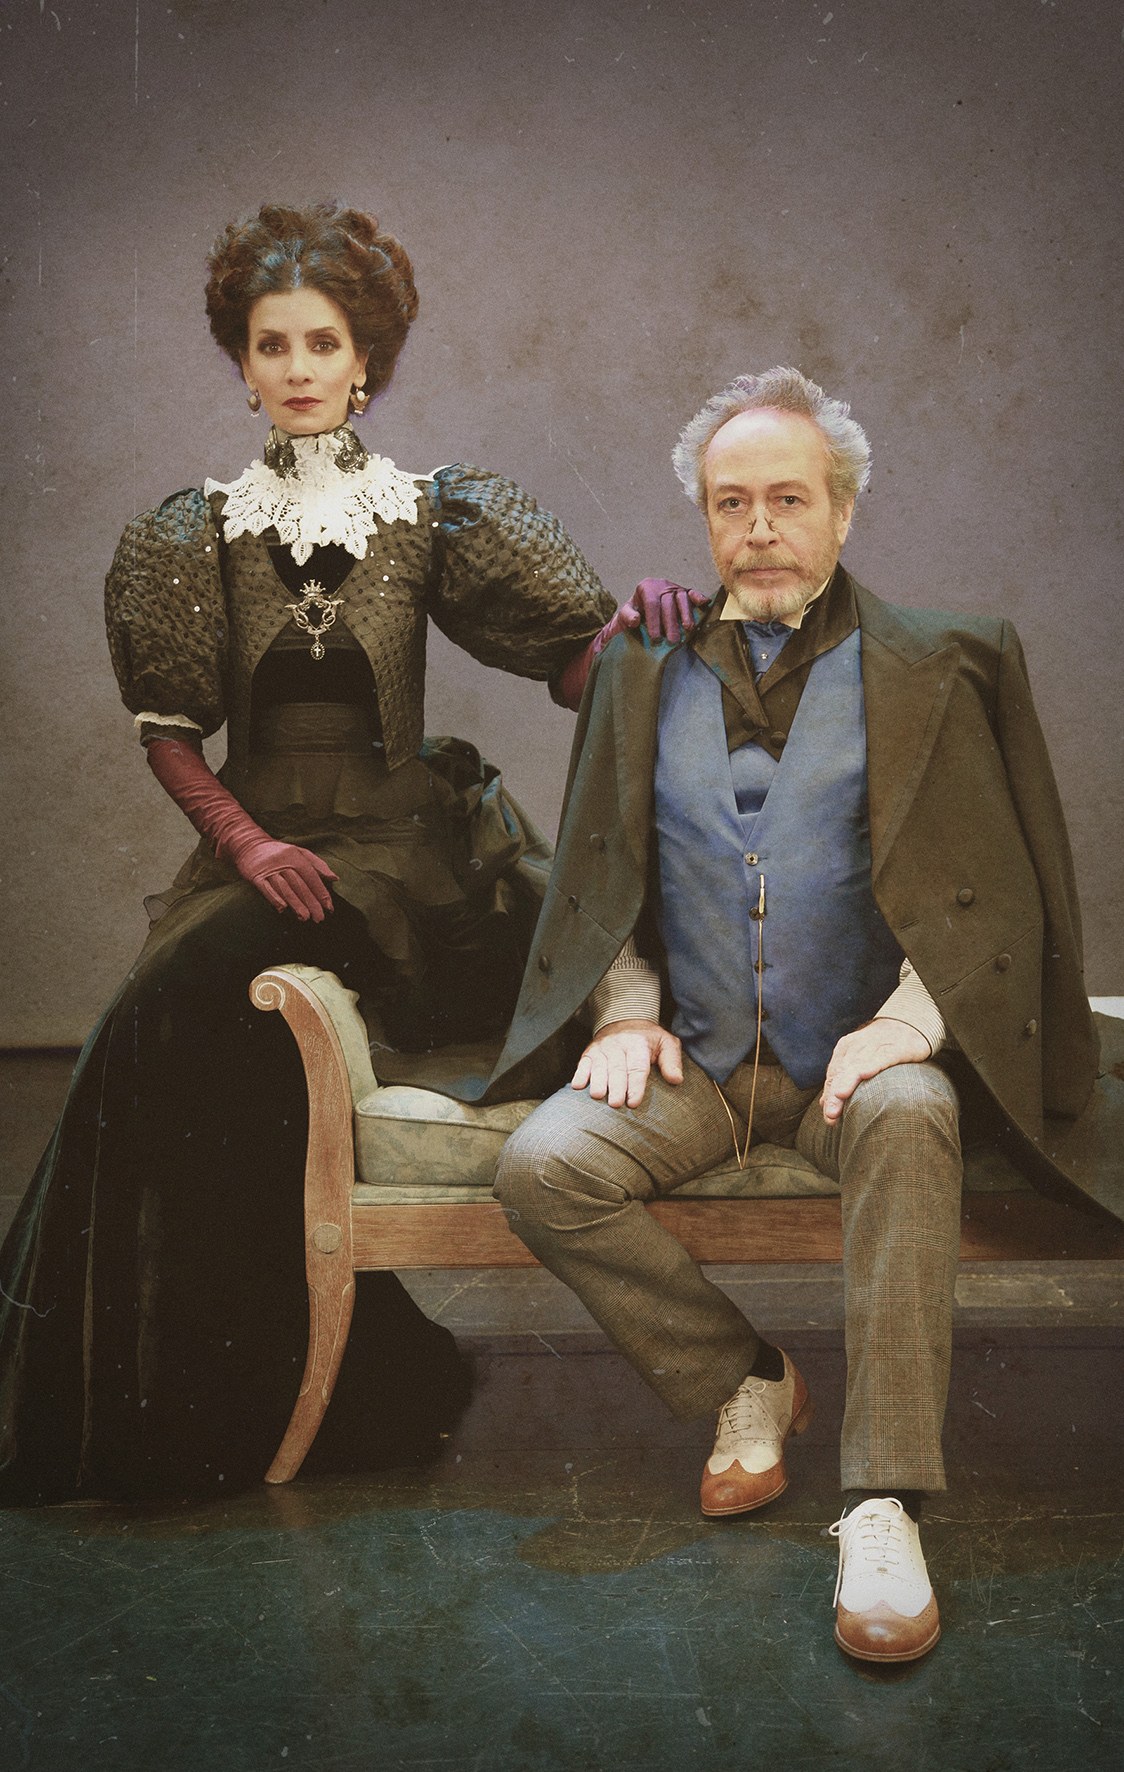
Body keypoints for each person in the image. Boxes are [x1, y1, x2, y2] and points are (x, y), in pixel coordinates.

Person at [0, 201, 699, 1505]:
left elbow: (572, 668)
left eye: (323, 342)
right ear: (243, 363)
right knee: (163, 1028)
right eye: (274, 345)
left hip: (402, 858)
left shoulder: (430, 514)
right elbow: (171, 735)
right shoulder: (194, 531)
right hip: (267, 850)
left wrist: (635, 629)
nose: (300, 367)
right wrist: (245, 841)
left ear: (366, 356)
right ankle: (195, 1403)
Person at [489, 366, 1113, 1663]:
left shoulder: (941, 662)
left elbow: (996, 886)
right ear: (705, 520)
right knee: (544, 1165)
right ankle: (745, 1380)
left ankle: (884, 1501)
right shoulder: (643, 669)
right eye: (733, 504)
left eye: (789, 499)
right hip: (704, 1065)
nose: (760, 528)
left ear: (844, 512)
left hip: (854, 1065)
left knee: (912, 1111)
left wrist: (915, 1022)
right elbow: (602, 871)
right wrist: (625, 1010)